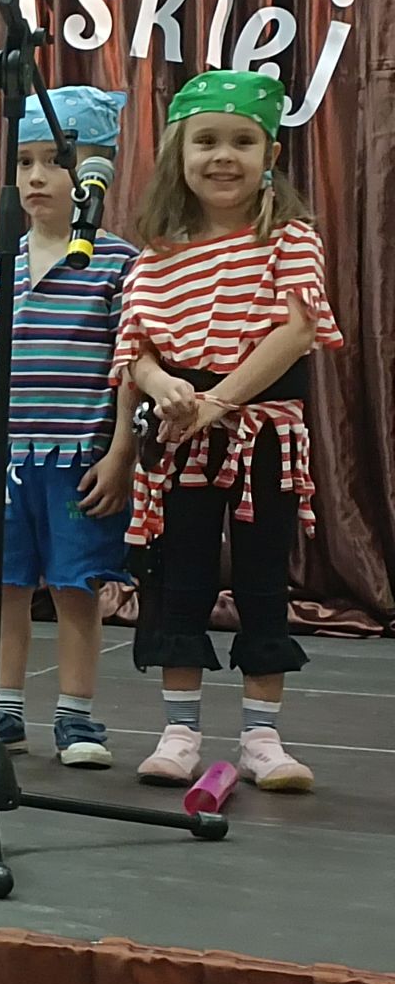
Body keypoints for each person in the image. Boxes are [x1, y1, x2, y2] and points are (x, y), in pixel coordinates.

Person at [115, 70, 342, 792]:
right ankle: (180, 731)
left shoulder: (290, 239)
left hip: (264, 434)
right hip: (180, 436)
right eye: (206, 141)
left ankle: (261, 738)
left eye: (242, 142)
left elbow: (296, 331)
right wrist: (162, 386)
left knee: (262, 576)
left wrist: (217, 401)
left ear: (269, 155)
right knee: (178, 575)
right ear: (179, 154)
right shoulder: (158, 253)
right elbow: (136, 347)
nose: (223, 156)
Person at [0, 87, 136, 768]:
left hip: (78, 459)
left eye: (56, 161)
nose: (37, 177)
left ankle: (76, 718)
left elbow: (131, 368)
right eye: (24, 162)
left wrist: (120, 454)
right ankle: (3, 710)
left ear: (96, 172)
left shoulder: (119, 264)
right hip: (2, 457)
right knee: (7, 587)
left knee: (77, 589)